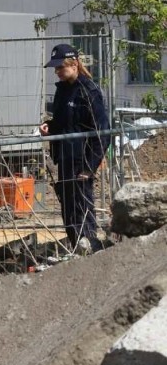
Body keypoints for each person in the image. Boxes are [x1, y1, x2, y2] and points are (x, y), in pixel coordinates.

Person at [39, 44, 109, 253]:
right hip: (65, 158)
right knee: (68, 209)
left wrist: (89, 166)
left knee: (82, 207)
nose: (57, 72)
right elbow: (62, 123)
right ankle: (76, 247)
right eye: (56, 68)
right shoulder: (62, 91)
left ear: (73, 63)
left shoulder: (89, 91)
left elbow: (102, 132)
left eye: (60, 67)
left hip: (81, 161)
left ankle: (90, 247)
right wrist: (49, 127)